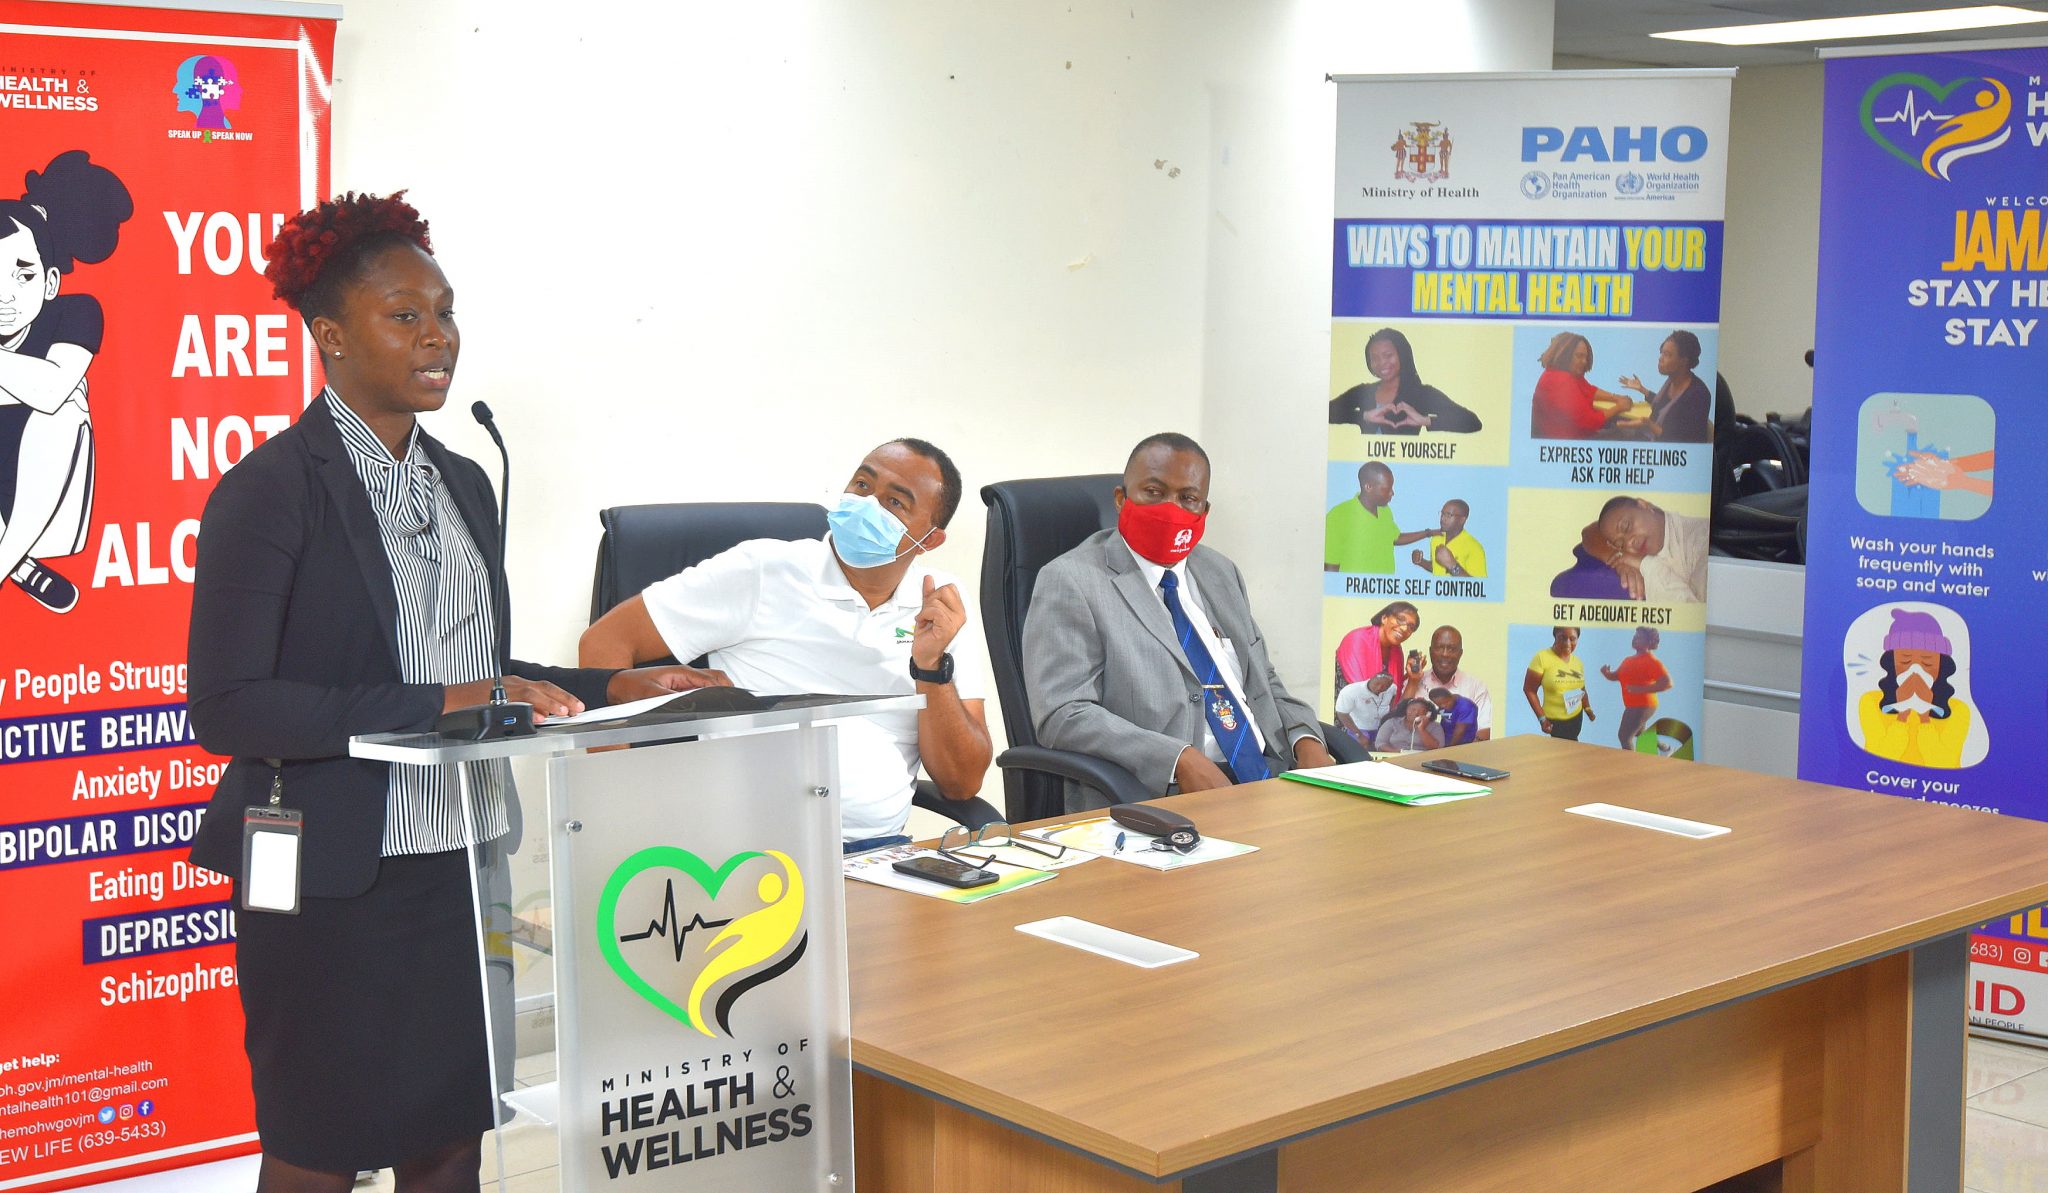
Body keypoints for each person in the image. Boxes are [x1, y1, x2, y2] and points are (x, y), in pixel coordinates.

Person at [184, 192, 704, 1193]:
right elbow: (231, 705)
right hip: (332, 877)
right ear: (330, 337)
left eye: (446, 311)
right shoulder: (268, 491)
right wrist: (438, 701)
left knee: (450, 1139)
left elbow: (483, 671)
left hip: (464, 867)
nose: (438, 337)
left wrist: (610, 682)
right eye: (405, 315)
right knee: (317, 1148)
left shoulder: (464, 479)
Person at [578, 439, 995, 852]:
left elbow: (961, 784)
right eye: (863, 485)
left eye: (895, 503)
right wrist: (619, 806)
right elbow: (604, 644)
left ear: (930, 539)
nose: (868, 505)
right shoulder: (764, 570)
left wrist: (929, 667)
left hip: (878, 854)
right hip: (741, 853)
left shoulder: (939, 604)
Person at [1023, 432, 1334, 805]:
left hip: (1271, 780)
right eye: (1154, 492)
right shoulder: (1072, 581)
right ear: (1122, 499)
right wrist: (1177, 759)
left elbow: (1261, 678)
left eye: (1188, 498)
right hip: (1160, 795)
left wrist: (1307, 740)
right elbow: (1062, 714)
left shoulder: (1220, 571)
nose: (1171, 508)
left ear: (1204, 511)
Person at [0, 151, 132, 614]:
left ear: (51, 280)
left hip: (44, 486)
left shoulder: (76, 311)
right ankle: (18, 565)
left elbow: (52, 390)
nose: (6, 295)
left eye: (24, 274)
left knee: (66, 406)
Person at [1856, 610, 1974, 769]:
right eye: (1905, 660)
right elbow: (1877, 756)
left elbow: (1944, 763)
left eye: (1927, 662)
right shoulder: (1870, 702)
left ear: (1941, 665)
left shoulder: (1958, 710)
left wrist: (1925, 716)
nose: (1916, 670)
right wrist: (1902, 714)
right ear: (1891, 661)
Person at [1328, 327, 1482, 434]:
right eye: (1374, 358)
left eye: (1388, 355)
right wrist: (1364, 416)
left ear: (1402, 354)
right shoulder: (1362, 392)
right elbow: (1327, 412)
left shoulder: (1423, 394)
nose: (1381, 363)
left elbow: (1472, 422)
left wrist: (1425, 420)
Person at [1578, 494, 1708, 602]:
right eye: (1621, 545)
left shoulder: (1702, 537)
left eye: (1626, 527)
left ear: (1644, 504)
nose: (1630, 543)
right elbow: (1589, 532)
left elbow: (1691, 613)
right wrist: (1618, 558)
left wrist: (1645, 564)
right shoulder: (1631, 556)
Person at [1325, 462, 1434, 573]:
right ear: (1368, 487)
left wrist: (1427, 533)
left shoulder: (1385, 511)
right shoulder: (1338, 516)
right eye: (1387, 488)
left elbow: (1394, 538)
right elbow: (1330, 568)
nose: (1392, 493)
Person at [1529, 331, 1634, 440]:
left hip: (1566, 435)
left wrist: (1615, 397)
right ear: (1566, 355)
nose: (1584, 361)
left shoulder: (1557, 373)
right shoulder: (1562, 380)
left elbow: (1588, 389)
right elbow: (1590, 421)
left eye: (1585, 357)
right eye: (1579, 356)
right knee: (1628, 434)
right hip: (1569, 442)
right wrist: (1619, 407)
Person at [1399, 625, 1492, 740]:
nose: (1445, 654)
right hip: (1416, 754)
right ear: (1430, 651)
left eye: (1452, 649)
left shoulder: (1476, 687)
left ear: (1460, 653)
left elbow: (1483, 732)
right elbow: (1397, 722)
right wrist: (1413, 682)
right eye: (1439, 648)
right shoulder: (1414, 682)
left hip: (1460, 755)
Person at [1618, 330, 1711, 443]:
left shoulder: (1698, 394)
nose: (1660, 359)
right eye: (1661, 353)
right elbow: (1665, 405)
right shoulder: (1671, 382)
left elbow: (1684, 440)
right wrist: (1642, 390)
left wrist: (1649, 424)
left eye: (1667, 355)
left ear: (1683, 361)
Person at [1601, 627, 1672, 750]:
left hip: (1643, 705)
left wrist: (1640, 689)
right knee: (1639, 733)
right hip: (1632, 704)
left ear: (1649, 642)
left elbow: (1667, 683)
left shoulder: (1651, 661)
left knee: (1624, 736)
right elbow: (1616, 676)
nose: (1634, 638)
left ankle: (1629, 766)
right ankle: (1665, 748)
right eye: (1634, 636)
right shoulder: (1628, 660)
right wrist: (1607, 673)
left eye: (1639, 637)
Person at [1524, 625, 1594, 740]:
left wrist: (1588, 709)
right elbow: (1529, 690)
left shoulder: (1578, 662)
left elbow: (1582, 689)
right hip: (1555, 722)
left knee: (1572, 750)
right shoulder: (1542, 658)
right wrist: (1542, 719)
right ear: (1555, 636)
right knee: (1560, 754)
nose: (1567, 643)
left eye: (1572, 639)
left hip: (1576, 718)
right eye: (1562, 638)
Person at [1335, 600, 1420, 692]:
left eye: (1411, 627)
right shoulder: (1357, 639)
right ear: (1384, 618)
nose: (1404, 628)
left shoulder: (1396, 650)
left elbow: (1396, 701)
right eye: (1400, 619)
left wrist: (1413, 679)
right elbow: (1364, 697)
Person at [1408, 498, 1486, 577]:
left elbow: (1479, 586)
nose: (1442, 519)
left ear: (1462, 520)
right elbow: (1437, 568)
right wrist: (1421, 562)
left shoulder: (1474, 547)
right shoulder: (1436, 539)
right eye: (1442, 513)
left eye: (1449, 515)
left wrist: (1453, 565)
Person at [1335, 673, 1397, 749]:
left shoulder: (1392, 688)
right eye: (1377, 683)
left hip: (1381, 729)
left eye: (1385, 686)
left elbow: (1393, 697)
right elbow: (1342, 713)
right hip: (1359, 729)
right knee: (1360, 755)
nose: (1379, 688)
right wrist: (1358, 734)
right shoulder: (1351, 691)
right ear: (1371, 679)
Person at [1373, 698, 1444, 752]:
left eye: (1421, 711)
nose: (1416, 713)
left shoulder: (1435, 726)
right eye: (1412, 709)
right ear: (1406, 709)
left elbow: (1437, 748)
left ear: (1427, 713)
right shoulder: (1392, 722)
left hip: (1422, 760)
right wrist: (1398, 753)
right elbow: (1380, 743)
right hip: (1395, 757)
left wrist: (1422, 729)